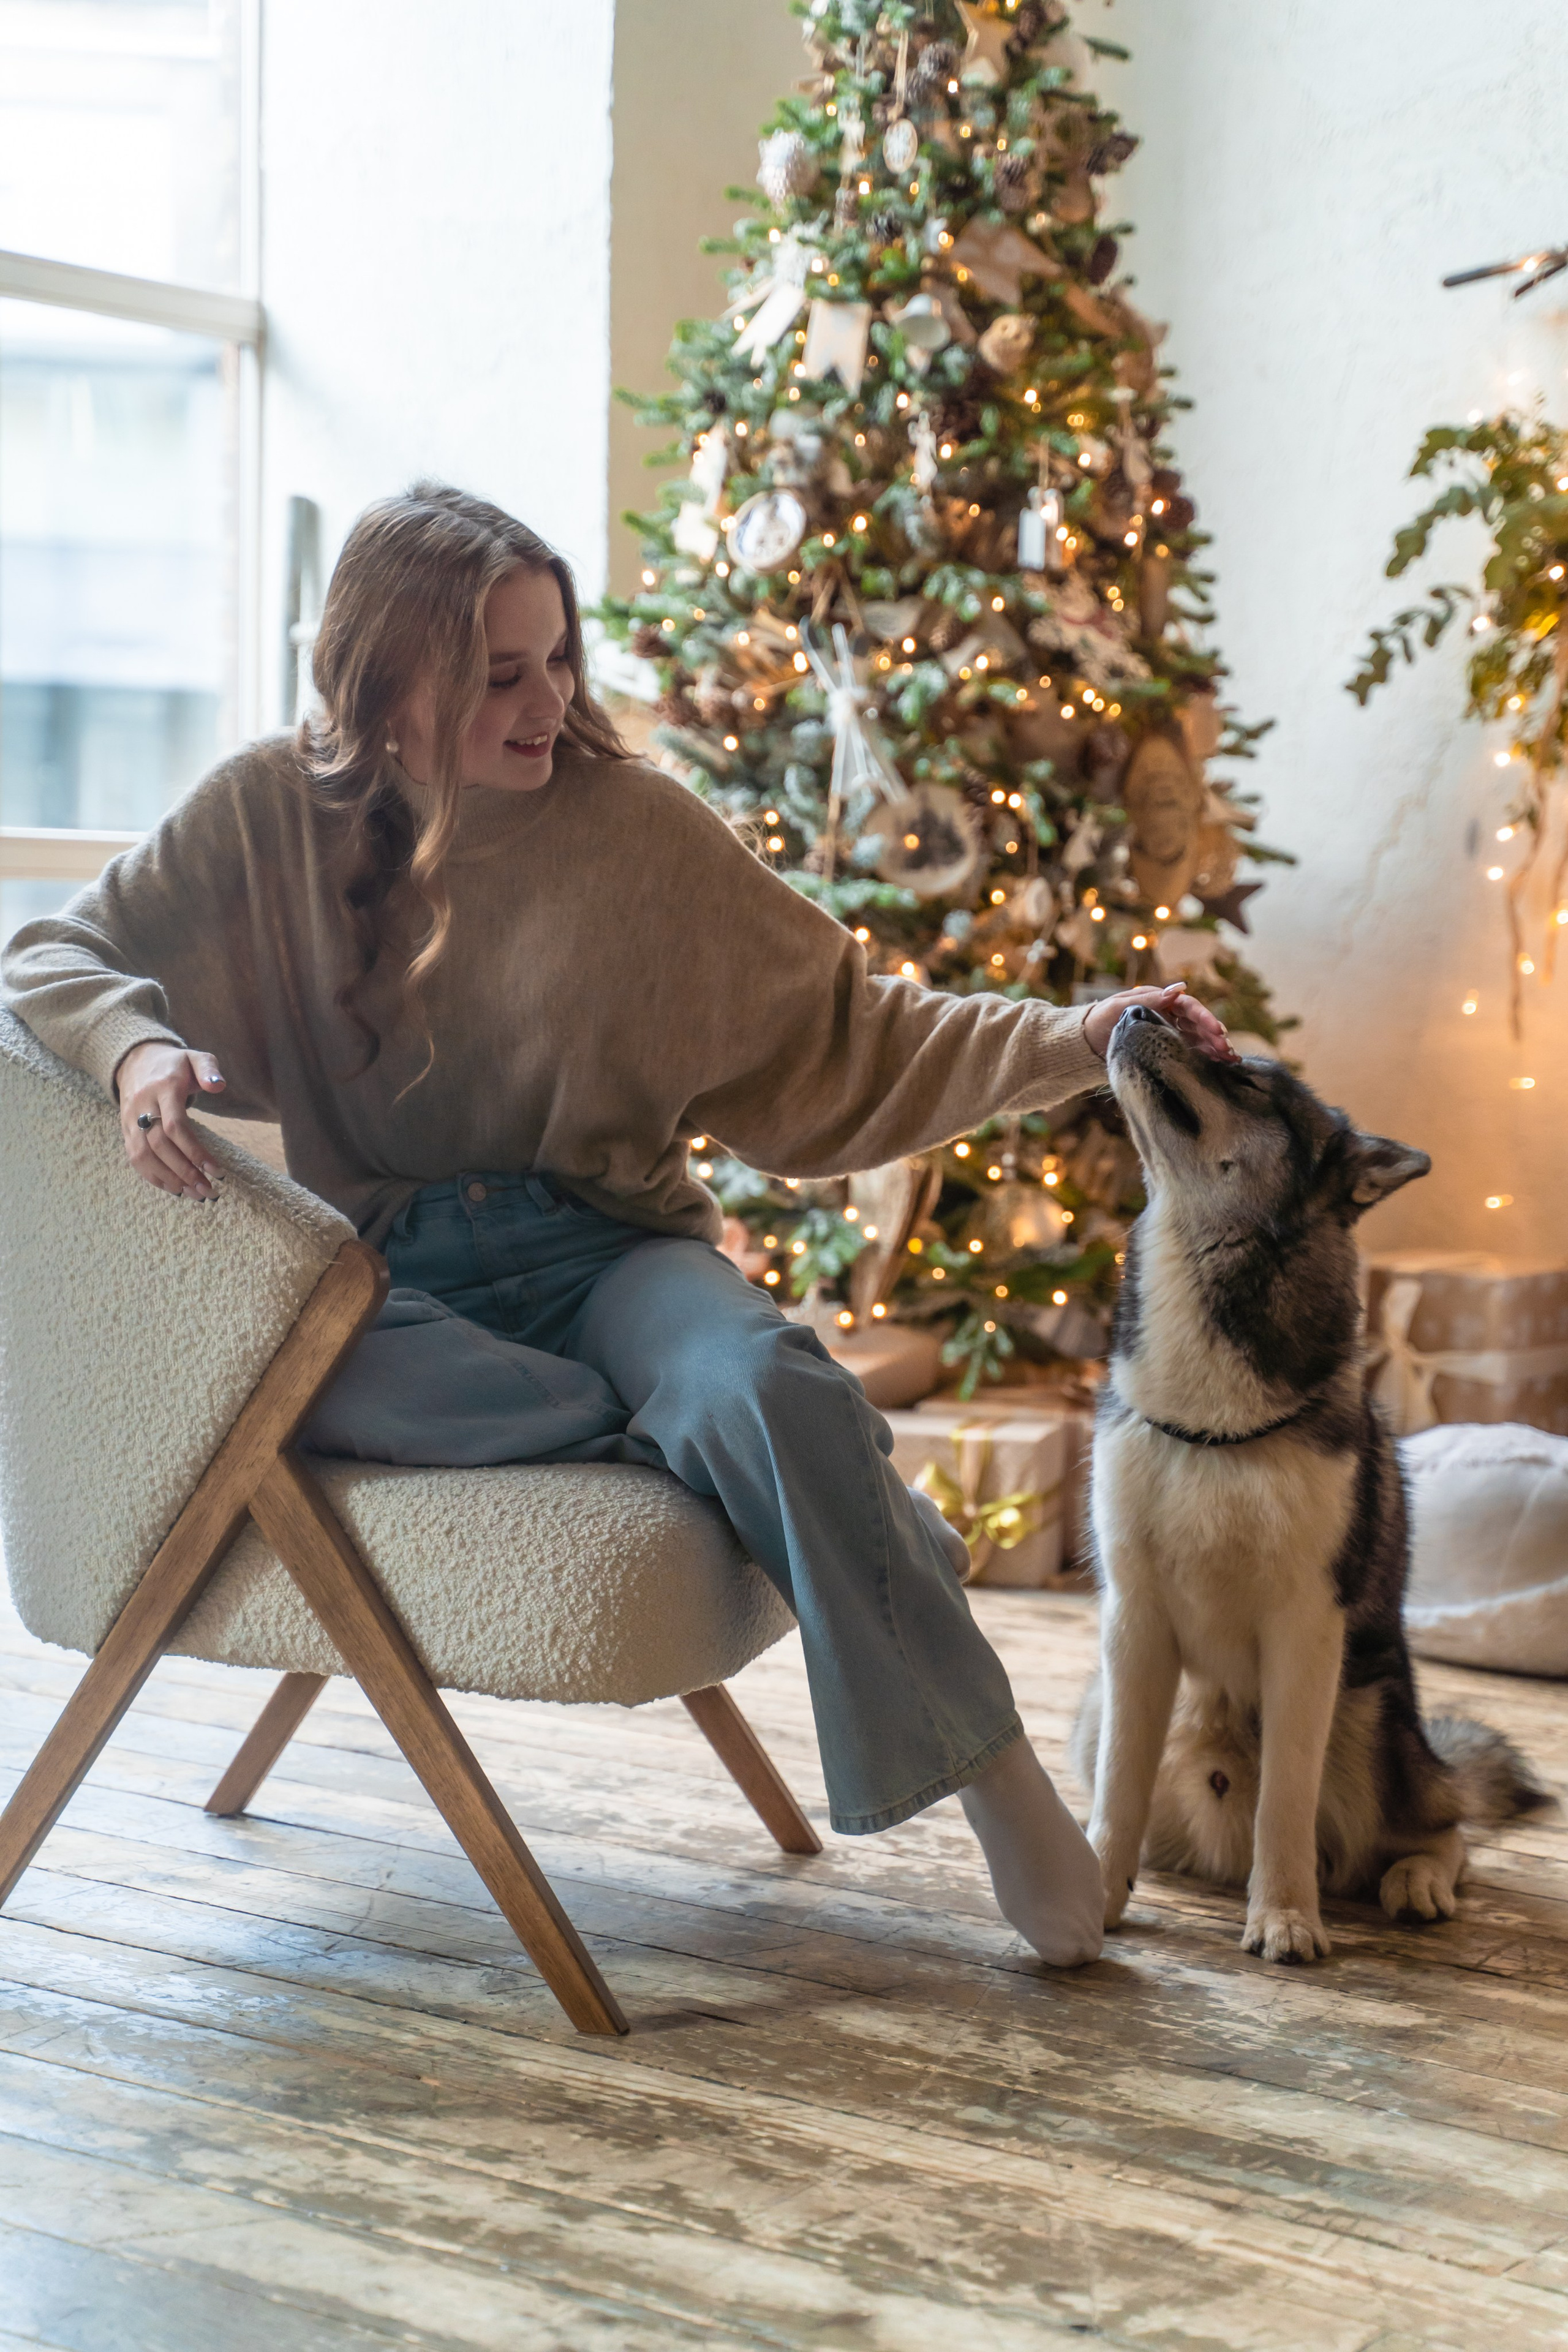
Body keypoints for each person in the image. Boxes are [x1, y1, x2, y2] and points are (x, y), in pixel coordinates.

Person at [2, 482, 1233, 1969]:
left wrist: (1079, 1033)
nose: (549, 703)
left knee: (757, 1381)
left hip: (601, 1252)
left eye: (558, 659)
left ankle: (994, 1778)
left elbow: (859, 1035)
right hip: (373, 1284)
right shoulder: (266, 816)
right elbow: (51, 949)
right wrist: (137, 1046)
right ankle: (767, 1465)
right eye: (499, 676)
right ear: (387, 685)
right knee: (274, 1362)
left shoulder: (636, 832)